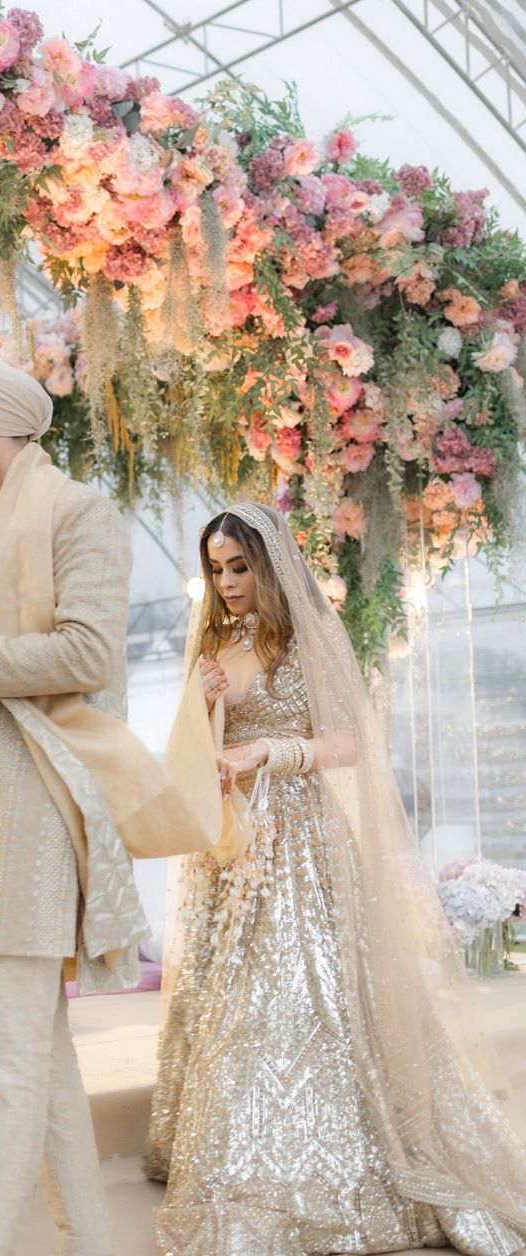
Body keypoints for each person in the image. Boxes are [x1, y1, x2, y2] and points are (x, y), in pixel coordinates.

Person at [0, 350, 215, 1256]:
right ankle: (89, 1243)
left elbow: (87, 655)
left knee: (1, 1054)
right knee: (40, 1054)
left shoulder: (77, 510)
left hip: (41, 810)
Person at [146, 502, 526, 1256]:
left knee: (304, 984)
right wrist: (208, 705)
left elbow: (352, 743)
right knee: (234, 991)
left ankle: (320, 1157)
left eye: (239, 566)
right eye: (217, 568)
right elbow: (193, 748)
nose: (226, 582)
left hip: (301, 840)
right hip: (237, 844)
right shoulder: (220, 641)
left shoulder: (308, 638)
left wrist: (272, 756)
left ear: (269, 564)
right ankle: (226, 1147)